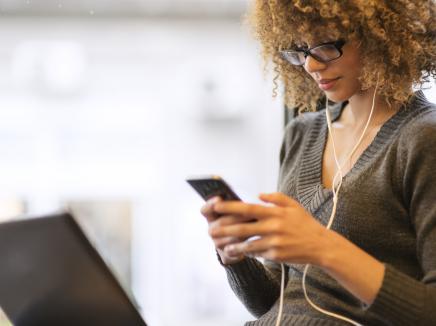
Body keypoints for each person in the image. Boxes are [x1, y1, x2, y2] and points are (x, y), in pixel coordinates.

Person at [200, 1, 436, 325]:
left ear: (380, 33)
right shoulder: (302, 134)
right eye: (300, 49)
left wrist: (322, 247)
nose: (310, 65)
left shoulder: (424, 138)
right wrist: (235, 257)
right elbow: (276, 302)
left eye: (326, 44)